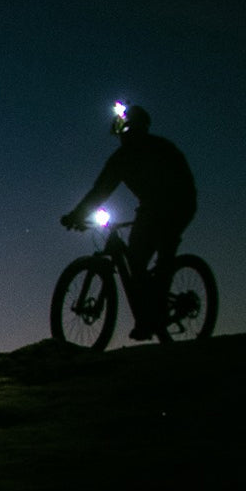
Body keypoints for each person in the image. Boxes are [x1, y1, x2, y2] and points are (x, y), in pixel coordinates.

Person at [61, 102, 197, 339]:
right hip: (151, 207)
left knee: (160, 253)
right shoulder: (121, 159)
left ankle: (154, 315)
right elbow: (99, 191)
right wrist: (77, 214)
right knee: (136, 260)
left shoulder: (160, 148)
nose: (122, 134)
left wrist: (77, 215)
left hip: (178, 203)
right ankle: (149, 313)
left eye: (127, 127)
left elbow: (179, 184)